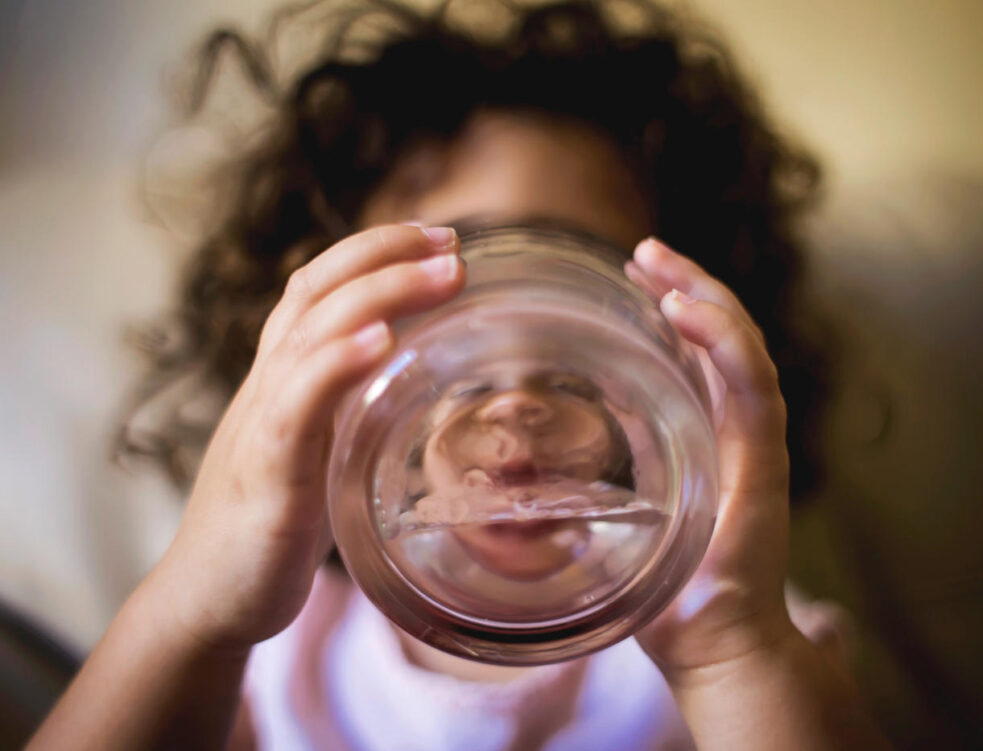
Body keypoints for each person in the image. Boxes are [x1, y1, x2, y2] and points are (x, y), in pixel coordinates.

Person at [28, 0, 890, 748]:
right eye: (451, 287)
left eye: (570, 285)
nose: (515, 403)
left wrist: (734, 649)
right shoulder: (272, 650)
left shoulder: (735, 620)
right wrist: (192, 610)